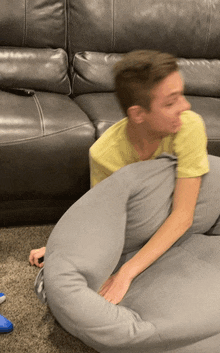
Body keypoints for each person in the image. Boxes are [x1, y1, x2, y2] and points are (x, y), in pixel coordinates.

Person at [30, 50, 209, 305]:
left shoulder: (188, 126)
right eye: (170, 102)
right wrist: (64, 246)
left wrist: (126, 273)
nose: (185, 106)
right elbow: (104, 219)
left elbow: (183, 215)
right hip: (143, 222)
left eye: (181, 95)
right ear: (138, 114)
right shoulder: (105, 154)